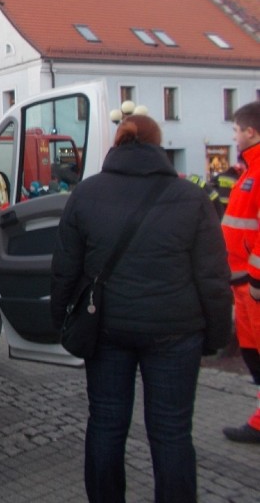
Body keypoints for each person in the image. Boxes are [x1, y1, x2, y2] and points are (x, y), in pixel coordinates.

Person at [50, 115, 231, 503]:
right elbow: (213, 275)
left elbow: (64, 266)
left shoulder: (87, 193)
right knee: (172, 433)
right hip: (176, 333)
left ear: (117, 144)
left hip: (107, 329)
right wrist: (215, 335)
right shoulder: (191, 197)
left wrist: (60, 319)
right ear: (158, 145)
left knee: (106, 425)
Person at [221, 101, 260, 443]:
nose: (233, 136)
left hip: (254, 284)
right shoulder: (248, 171)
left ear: (250, 132)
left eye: (235, 130)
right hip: (243, 283)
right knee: (253, 353)